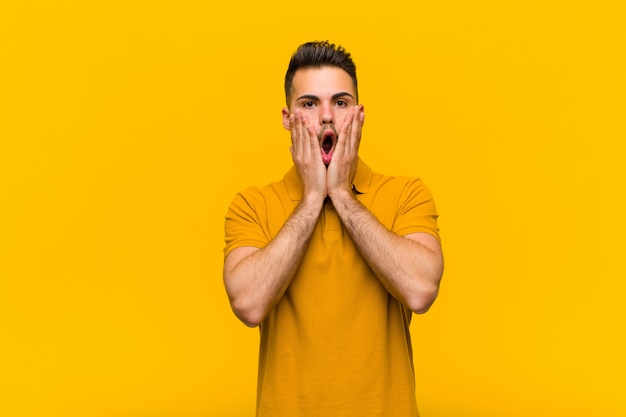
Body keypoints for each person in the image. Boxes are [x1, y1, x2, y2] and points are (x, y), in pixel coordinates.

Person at [223, 40, 444, 417]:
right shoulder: (252, 205)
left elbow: (421, 291)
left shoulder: (407, 194)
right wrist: (311, 199)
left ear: (358, 114)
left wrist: (341, 194)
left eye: (340, 103)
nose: (326, 117)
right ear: (288, 118)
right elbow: (248, 304)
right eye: (309, 104)